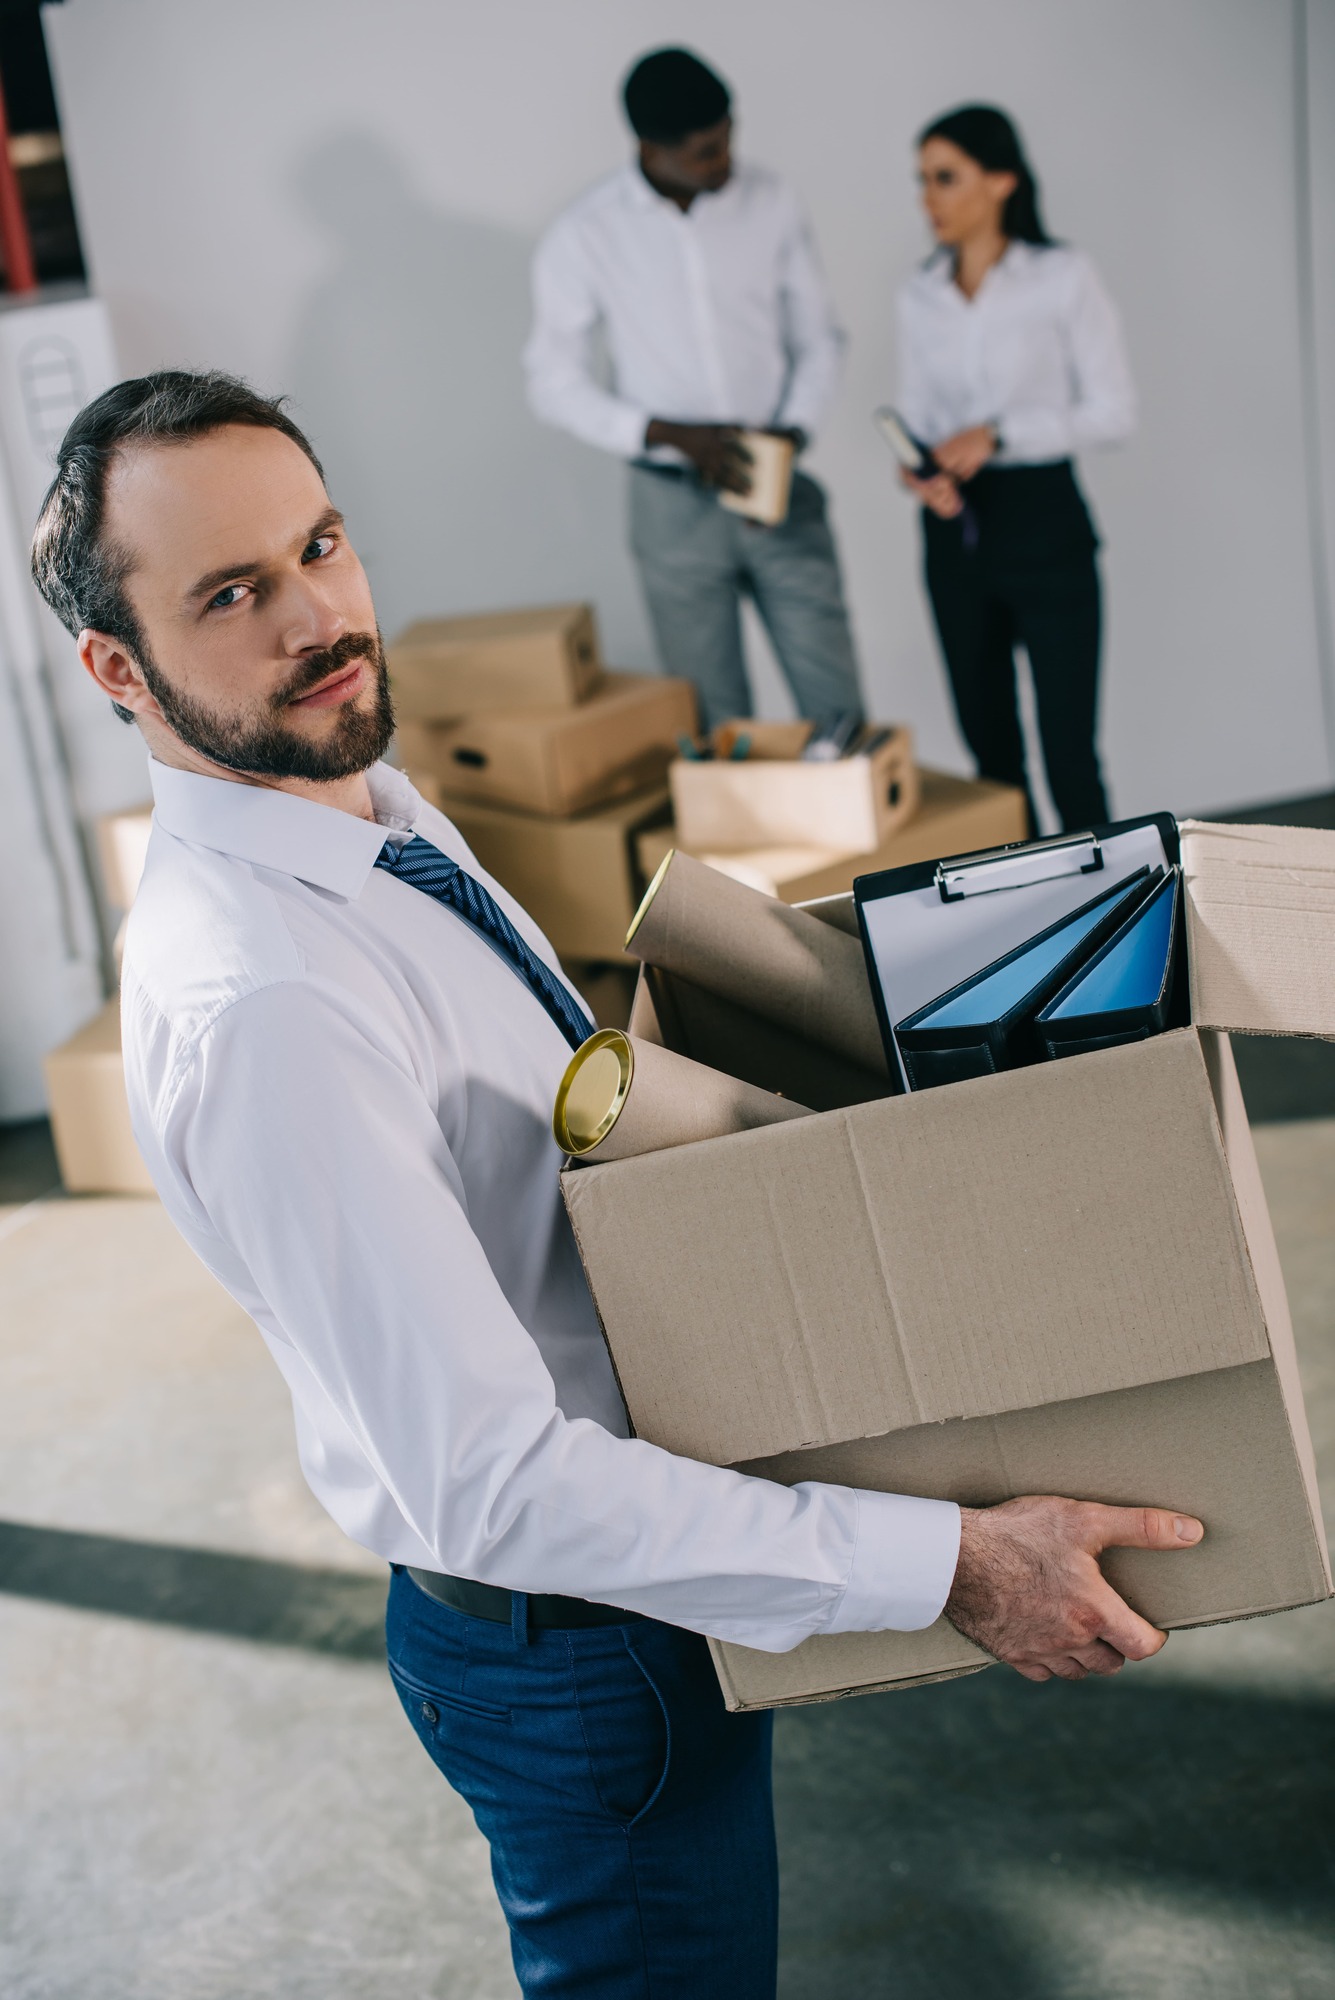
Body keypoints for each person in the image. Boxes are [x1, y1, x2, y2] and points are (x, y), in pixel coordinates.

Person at [32, 369, 1203, 2000]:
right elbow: (491, 1485)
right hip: (577, 1640)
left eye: (322, 543)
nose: (319, 616)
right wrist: (954, 1564)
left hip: (632, 1579)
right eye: (232, 593)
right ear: (115, 665)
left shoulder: (354, 794)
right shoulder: (270, 1005)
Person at [525, 46, 864, 733]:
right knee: (717, 730)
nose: (725, 161)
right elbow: (550, 382)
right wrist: (667, 433)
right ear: (650, 147)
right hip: (670, 505)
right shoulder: (586, 234)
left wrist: (790, 433)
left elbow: (819, 339)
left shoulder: (770, 201)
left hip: (778, 488)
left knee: (840, 719)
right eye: (705, 152)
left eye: (728, 137)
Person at [895, 103, 1136, 833]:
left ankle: (1122, 915)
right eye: (921, 180)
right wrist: (918, 470)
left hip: (1044, 526)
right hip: (953, 537)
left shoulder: (1062, 277)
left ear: (1000, 180)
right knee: (992, 759)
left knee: (1069, 754)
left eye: (945, 177)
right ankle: (1029, 928)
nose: (927, 198)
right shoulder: (919, 293)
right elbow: (920, 419)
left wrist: (999, 435)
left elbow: (1113, 412)